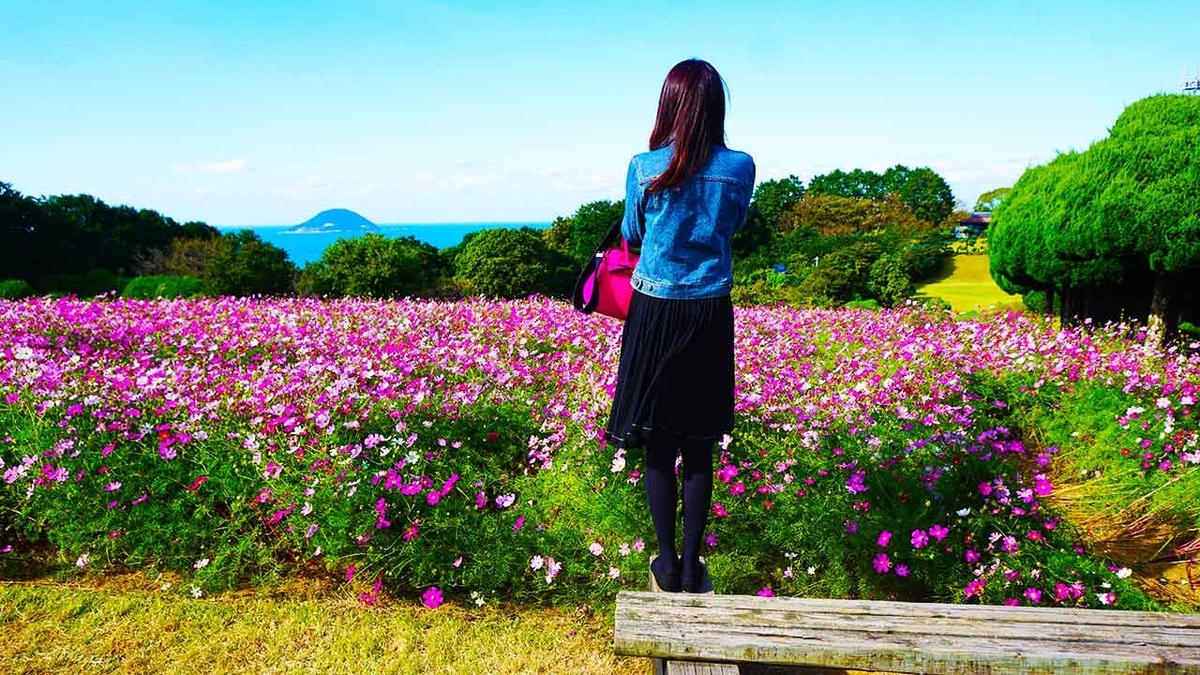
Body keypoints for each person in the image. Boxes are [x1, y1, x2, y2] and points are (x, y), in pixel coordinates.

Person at [604, 58, 755, 593]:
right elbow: (732, 227)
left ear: (668, 103)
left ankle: (665, 564)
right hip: (710, 309)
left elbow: (632, 231)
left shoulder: (644, 166)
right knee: (699, 442)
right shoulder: (740, 167)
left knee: (658, 439)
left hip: (655, 309)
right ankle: (694, 566)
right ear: (716, 105)